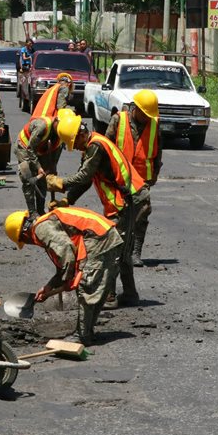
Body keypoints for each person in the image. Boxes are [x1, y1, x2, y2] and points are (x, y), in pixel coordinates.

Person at [46, 120, 149, 307]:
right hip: (123, 200)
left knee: (112, 249)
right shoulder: (90, 146)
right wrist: (68, 200)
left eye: (74, 144)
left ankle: (108, 296)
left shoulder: (96, 147)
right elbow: (87, 180)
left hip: (127, 200)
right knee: (122, 248)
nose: (75, 148)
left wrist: (60, 183)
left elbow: (84, 176)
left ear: (80, 134)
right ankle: (130, 294)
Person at [4, 206, 123, 345]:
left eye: (24, 241)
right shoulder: (46, 223)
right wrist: (49, 286)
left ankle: (82, 335)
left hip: (98, 237)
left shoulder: (41, 229)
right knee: (97, 286)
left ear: (24, 233)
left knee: (87, 286)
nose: (28, 243)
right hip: (106, 235)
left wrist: (68, 279)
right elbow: (64, 264)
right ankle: (87, 332)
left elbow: (66, 251)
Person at [106, 90, 162, 266]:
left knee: (142, 214)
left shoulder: (154, 124)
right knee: (119, 216)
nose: (147, 118)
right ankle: (116, 250)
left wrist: (154, 174)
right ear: (135, 108)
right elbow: (106, 146)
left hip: (142, 179)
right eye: (144, 114)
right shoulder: (118, 120)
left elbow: (157, 151)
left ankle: (135, 252)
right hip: (119, 177)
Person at [16, 108, 77, 217]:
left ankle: (40, 210)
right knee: (29, 180)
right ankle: (32, 213)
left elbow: (55, 154)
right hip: (25, 147)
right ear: (57, 121)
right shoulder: (42, 126)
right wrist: (38, 167)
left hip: (41, 149)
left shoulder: (62, 133)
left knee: (43, 180)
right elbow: (30, 149)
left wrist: (52, 169)